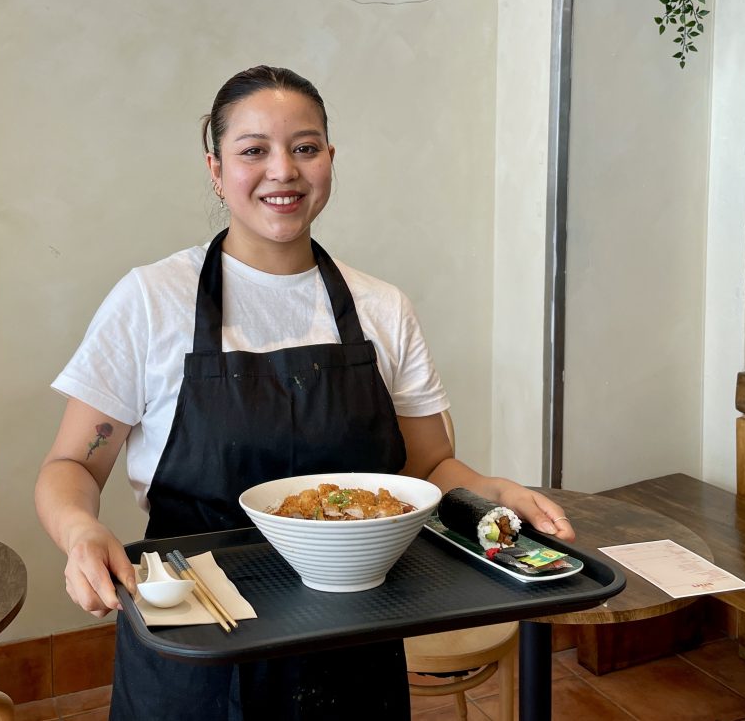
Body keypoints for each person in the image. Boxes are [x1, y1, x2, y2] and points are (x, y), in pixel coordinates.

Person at [35, 65, 575, 720]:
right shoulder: (151, 301)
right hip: (195, 623)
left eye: (305, 147)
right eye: (253, 150)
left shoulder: (383, 307)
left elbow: (429, 465)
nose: (283, 170)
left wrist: (493, 492)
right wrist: (81, 531)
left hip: (351, 623)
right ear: (215, 168)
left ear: (329, 159)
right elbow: (72, 464)